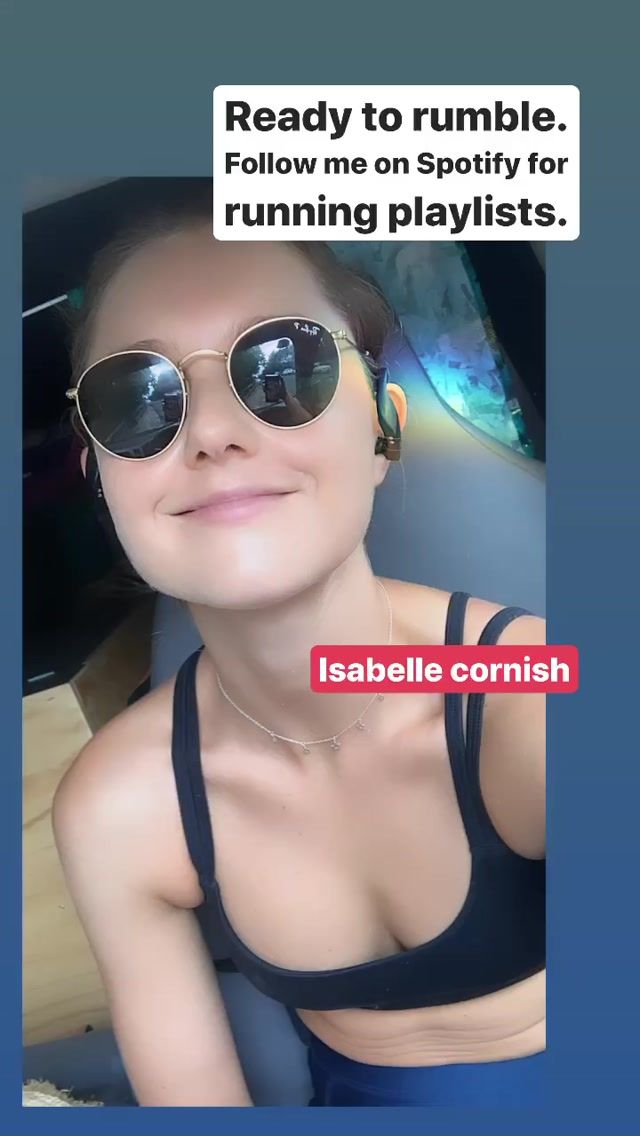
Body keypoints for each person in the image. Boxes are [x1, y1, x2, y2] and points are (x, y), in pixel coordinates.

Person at [53, 204, 545, 1107]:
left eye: (282, 365)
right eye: (138, 398)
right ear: (101, 483)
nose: (212, 432)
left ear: (384, 427)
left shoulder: (529, 693)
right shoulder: (121, 805)